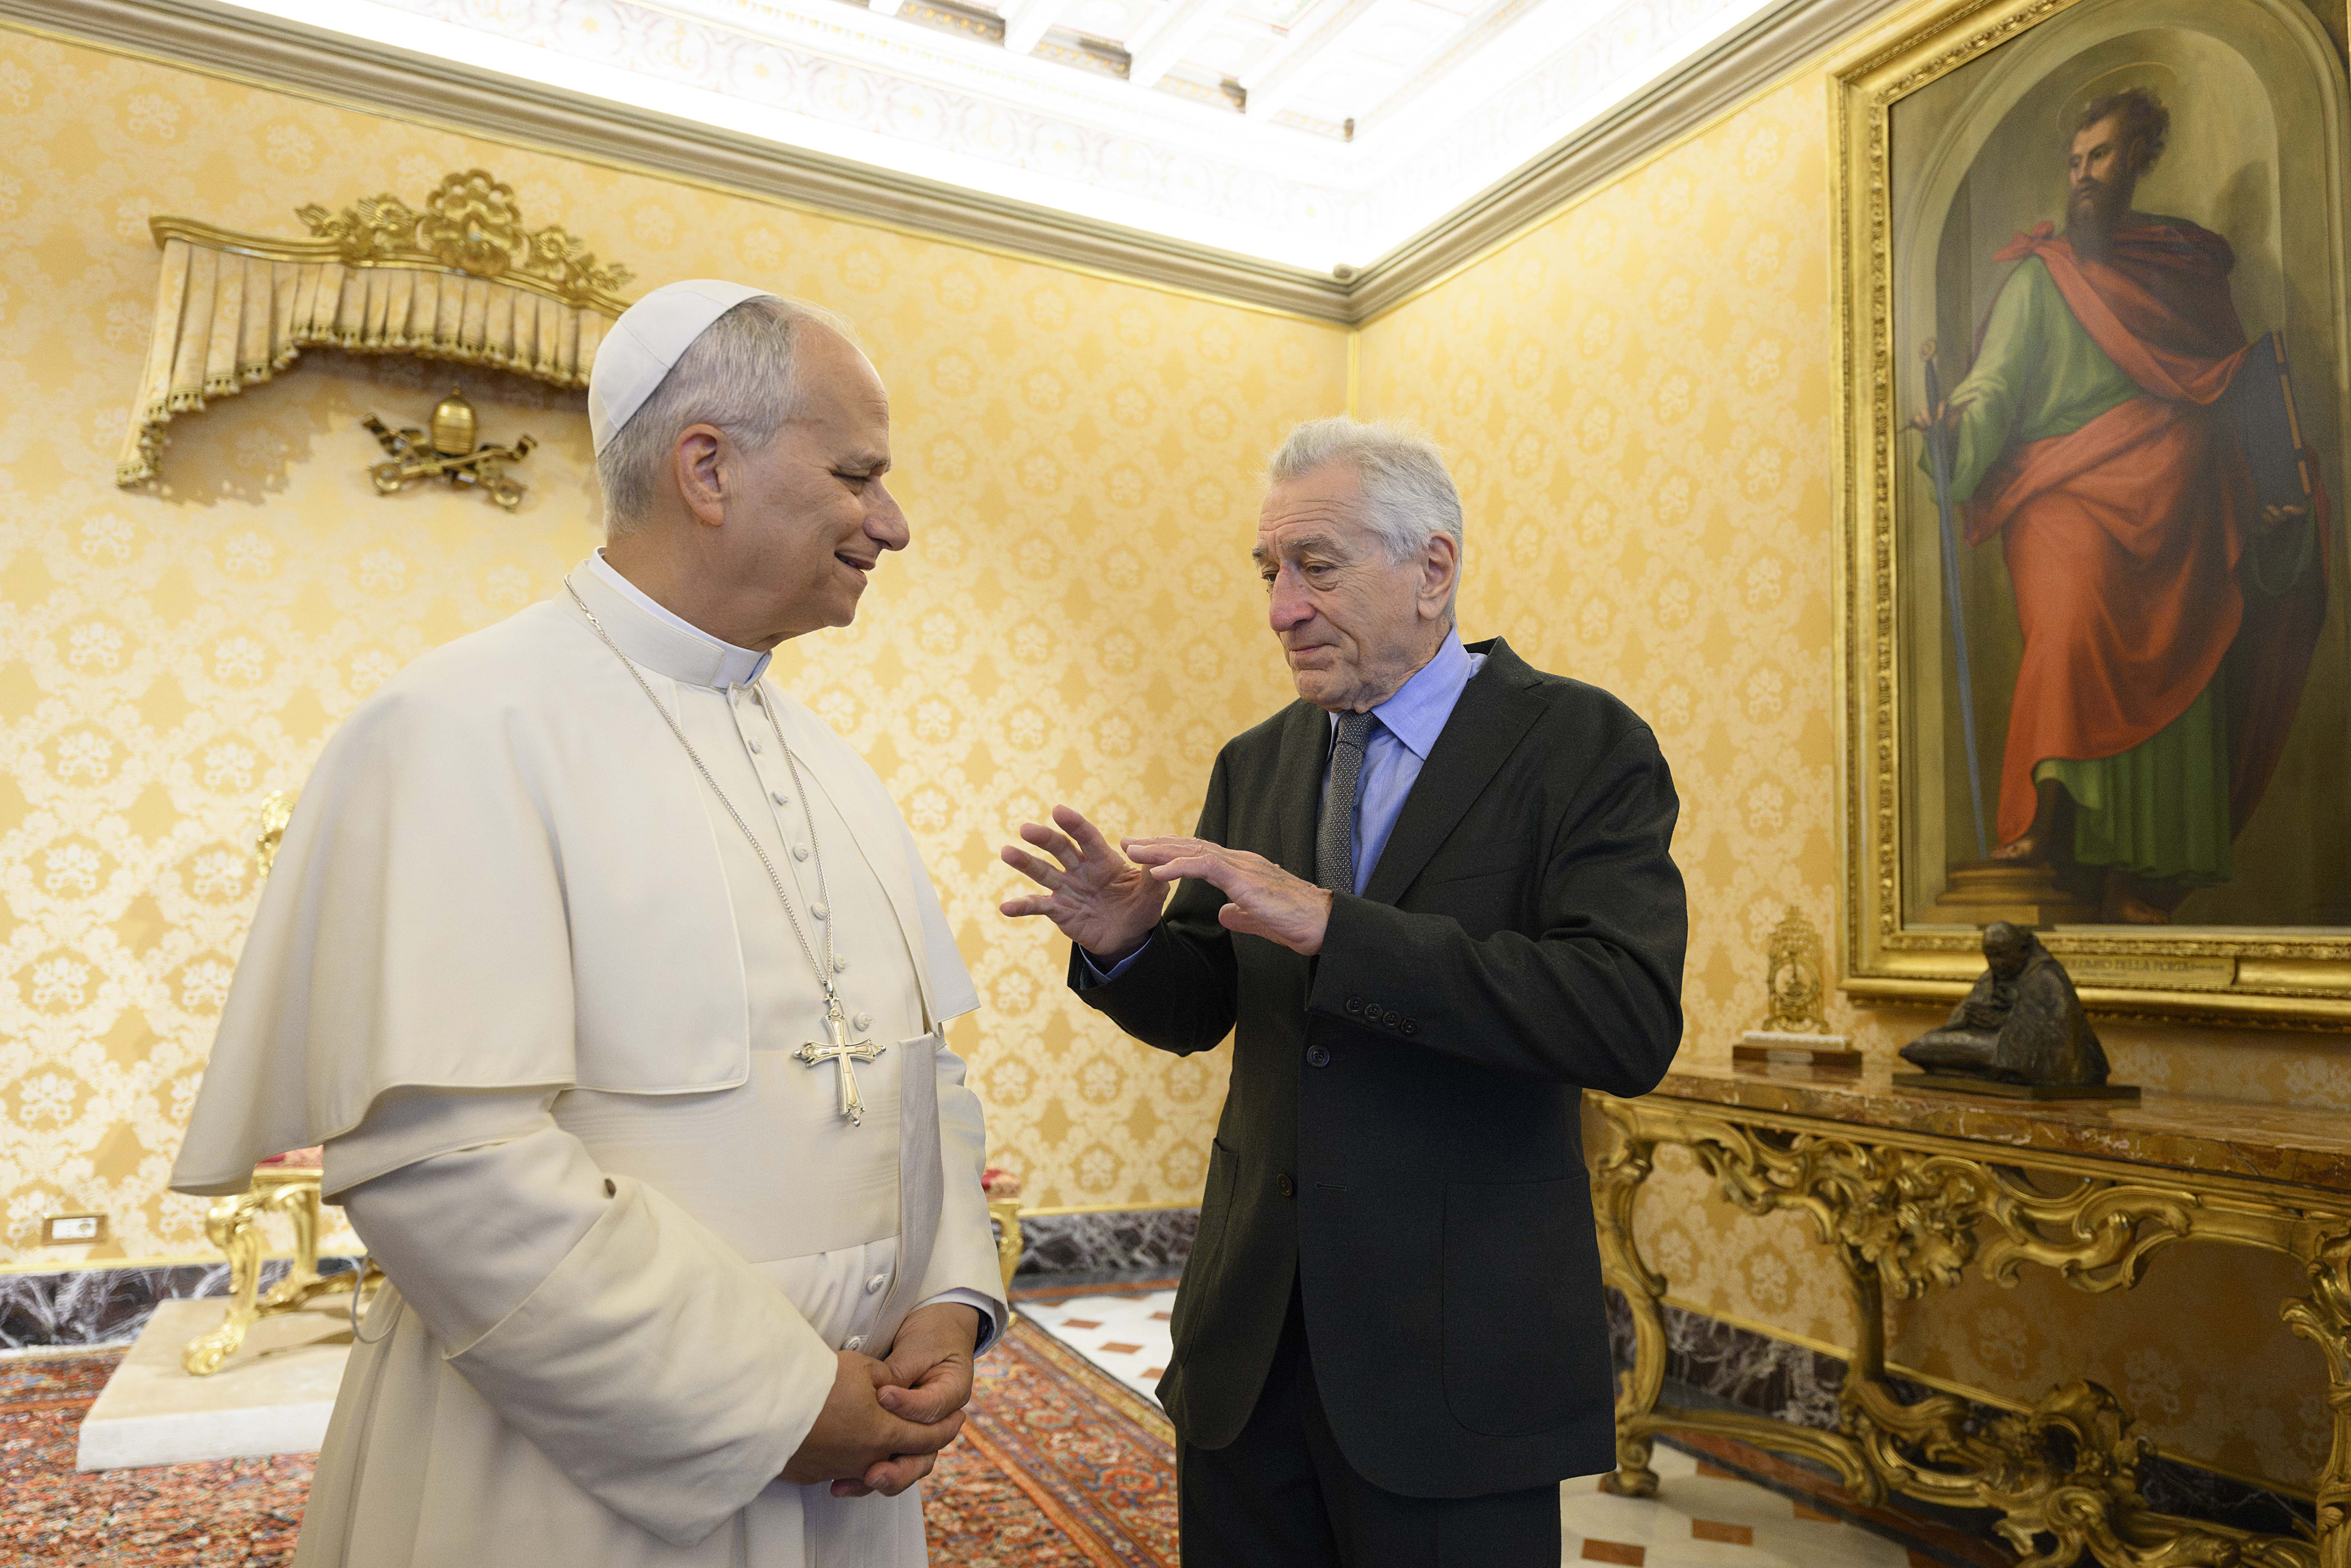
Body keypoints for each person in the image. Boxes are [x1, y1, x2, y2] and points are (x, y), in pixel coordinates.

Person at [169, 281, 1006, 1568]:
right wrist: (773, 1402)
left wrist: (947, 1303)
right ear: (707, 468)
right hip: (571, 1468)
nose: (890, 525)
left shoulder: (834, 765)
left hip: (857, 1452)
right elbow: (445, 1164)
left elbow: (923, 1079)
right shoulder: (456, 729)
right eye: (856, 476)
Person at [997, 417, 1688, 1567]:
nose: (1281, 610)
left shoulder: (1579, 744)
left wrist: (1337, 928)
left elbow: (1622, 1017)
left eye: (1315, 567)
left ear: (1433, 569)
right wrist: (1128, 947)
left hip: (1452, 1359)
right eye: (1269, 572)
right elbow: (1206, 1006)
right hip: (1247, 1345)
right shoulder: (1257, 760)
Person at [1922, 87, 2326, 921]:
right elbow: (1993, 387)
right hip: (2062, 494)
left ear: (2138, 158)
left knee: (2188, 633)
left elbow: (2226, 390)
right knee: (2071, 621)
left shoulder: (2181, 272)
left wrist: (2268, 485)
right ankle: (2042, 826)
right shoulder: (2042, 278)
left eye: (2100, 156)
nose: (2082, 175)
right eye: (2074, 161)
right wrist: (1955, 432)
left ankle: (2150, 877)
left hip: (2176, 502)